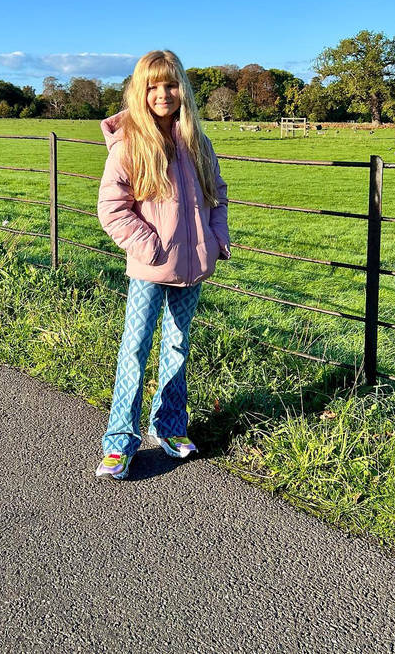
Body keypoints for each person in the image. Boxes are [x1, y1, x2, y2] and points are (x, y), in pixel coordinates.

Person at [95, 49, 231, 480]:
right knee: (134, 350)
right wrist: (150, 248)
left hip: (192, 269)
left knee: (176, 345)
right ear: (140, 90)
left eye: (170, 84)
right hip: (150, 269)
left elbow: (217, 195)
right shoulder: (130, 144)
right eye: (152, 86)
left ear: (182, 89)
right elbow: (112, 209)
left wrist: (216, 238)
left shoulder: (196, 142)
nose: (162, 94)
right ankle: (120, 441)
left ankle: (170, 427)